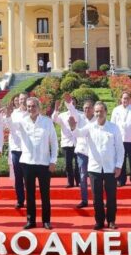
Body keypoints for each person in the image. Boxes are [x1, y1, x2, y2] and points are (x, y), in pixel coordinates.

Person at [66, 98, 124, 230]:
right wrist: (73, 127)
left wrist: (119, 165)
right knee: (97, 198)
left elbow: (120, 148)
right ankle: (99, 221)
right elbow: (78, 134)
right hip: (94, 168)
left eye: (101, 111)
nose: (98, 114)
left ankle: (111, 221)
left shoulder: (114, 128)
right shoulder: (90, 126)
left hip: (110, 168)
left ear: (106, 112)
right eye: (96, 111)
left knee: (111, 197)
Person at [1, 97, 59, 230]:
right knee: (30, 194)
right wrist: (8, 116)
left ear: (39, 107)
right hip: (27, 163)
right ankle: (31, 220)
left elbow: (54, 142)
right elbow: (11, 126)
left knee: (45, 194)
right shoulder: (22, 121)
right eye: (28, 106)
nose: (31, 109)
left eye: (33, 106)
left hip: (44, 163)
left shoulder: (47, 122)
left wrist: (53, 160)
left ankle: (46, 221)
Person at [65, 99, 94, 208]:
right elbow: (73, 111)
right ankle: (84, 200)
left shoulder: (97, 120)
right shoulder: (80, 117)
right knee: (82, 177)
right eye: (85, 108)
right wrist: (68, 103)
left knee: (96, 178)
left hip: (94, 154)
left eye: (89, 108)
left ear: (93, 109)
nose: (87, 110)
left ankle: (98, 200)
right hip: (82, 152)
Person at [110, 92, 131, 187]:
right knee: (121, 161)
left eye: (127, 98)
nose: (125, 100)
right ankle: (121, 180)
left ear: (130, 99)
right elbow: (112, 125)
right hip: (119, 140)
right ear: (121, 99)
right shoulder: (116, 110)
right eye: (123, 98)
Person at [52, 98, 80, 189]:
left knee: (78, 164)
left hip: (78, 143)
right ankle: (70, 182)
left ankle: (79, 181)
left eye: (73, 103)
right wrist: (56, 109)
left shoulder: (80, 114)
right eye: (69, 103)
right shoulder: (62, 115)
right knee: (68, 164)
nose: (71, 105)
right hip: (67, 143)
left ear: (76, 104)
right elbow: (54, 119)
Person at [8, 92, 30, 209]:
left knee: (28, 177)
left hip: (28, 150)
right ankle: (20, 200)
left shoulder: (32, 113)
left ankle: (30, 200)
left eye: (24, 99)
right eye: (21, 99)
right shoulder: (13, 113)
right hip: (16, 149)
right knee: (18, 177)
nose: (22, 101)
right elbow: (8, 125)